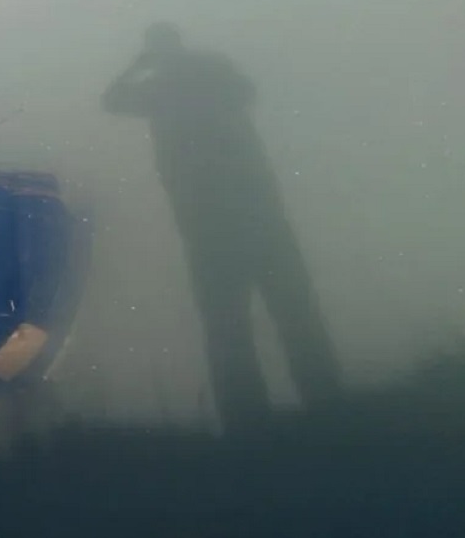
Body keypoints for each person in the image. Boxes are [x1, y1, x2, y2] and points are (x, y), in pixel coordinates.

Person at [103, 23, 341, 432]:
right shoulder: (204, 74)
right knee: (289, 312)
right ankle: (326, 403)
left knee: (228, 323)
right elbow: (244, 91)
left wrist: (137, 67)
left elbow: (112, 99)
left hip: (210, 223)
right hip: (255, 214)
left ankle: (249, 419)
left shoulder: (161, 90)